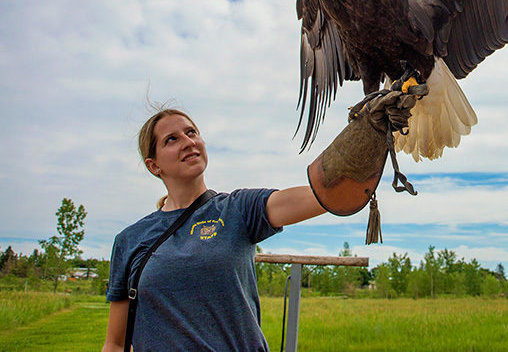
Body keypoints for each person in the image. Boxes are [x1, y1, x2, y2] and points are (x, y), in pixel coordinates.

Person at [102, 87, 420, 351]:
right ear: (153, 165)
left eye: (192, 132)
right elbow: (116, 343)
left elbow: (321, 197)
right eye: (171, 139)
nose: (188, 141)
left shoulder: (237, 209)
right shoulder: (130, 240)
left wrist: (368, 132)